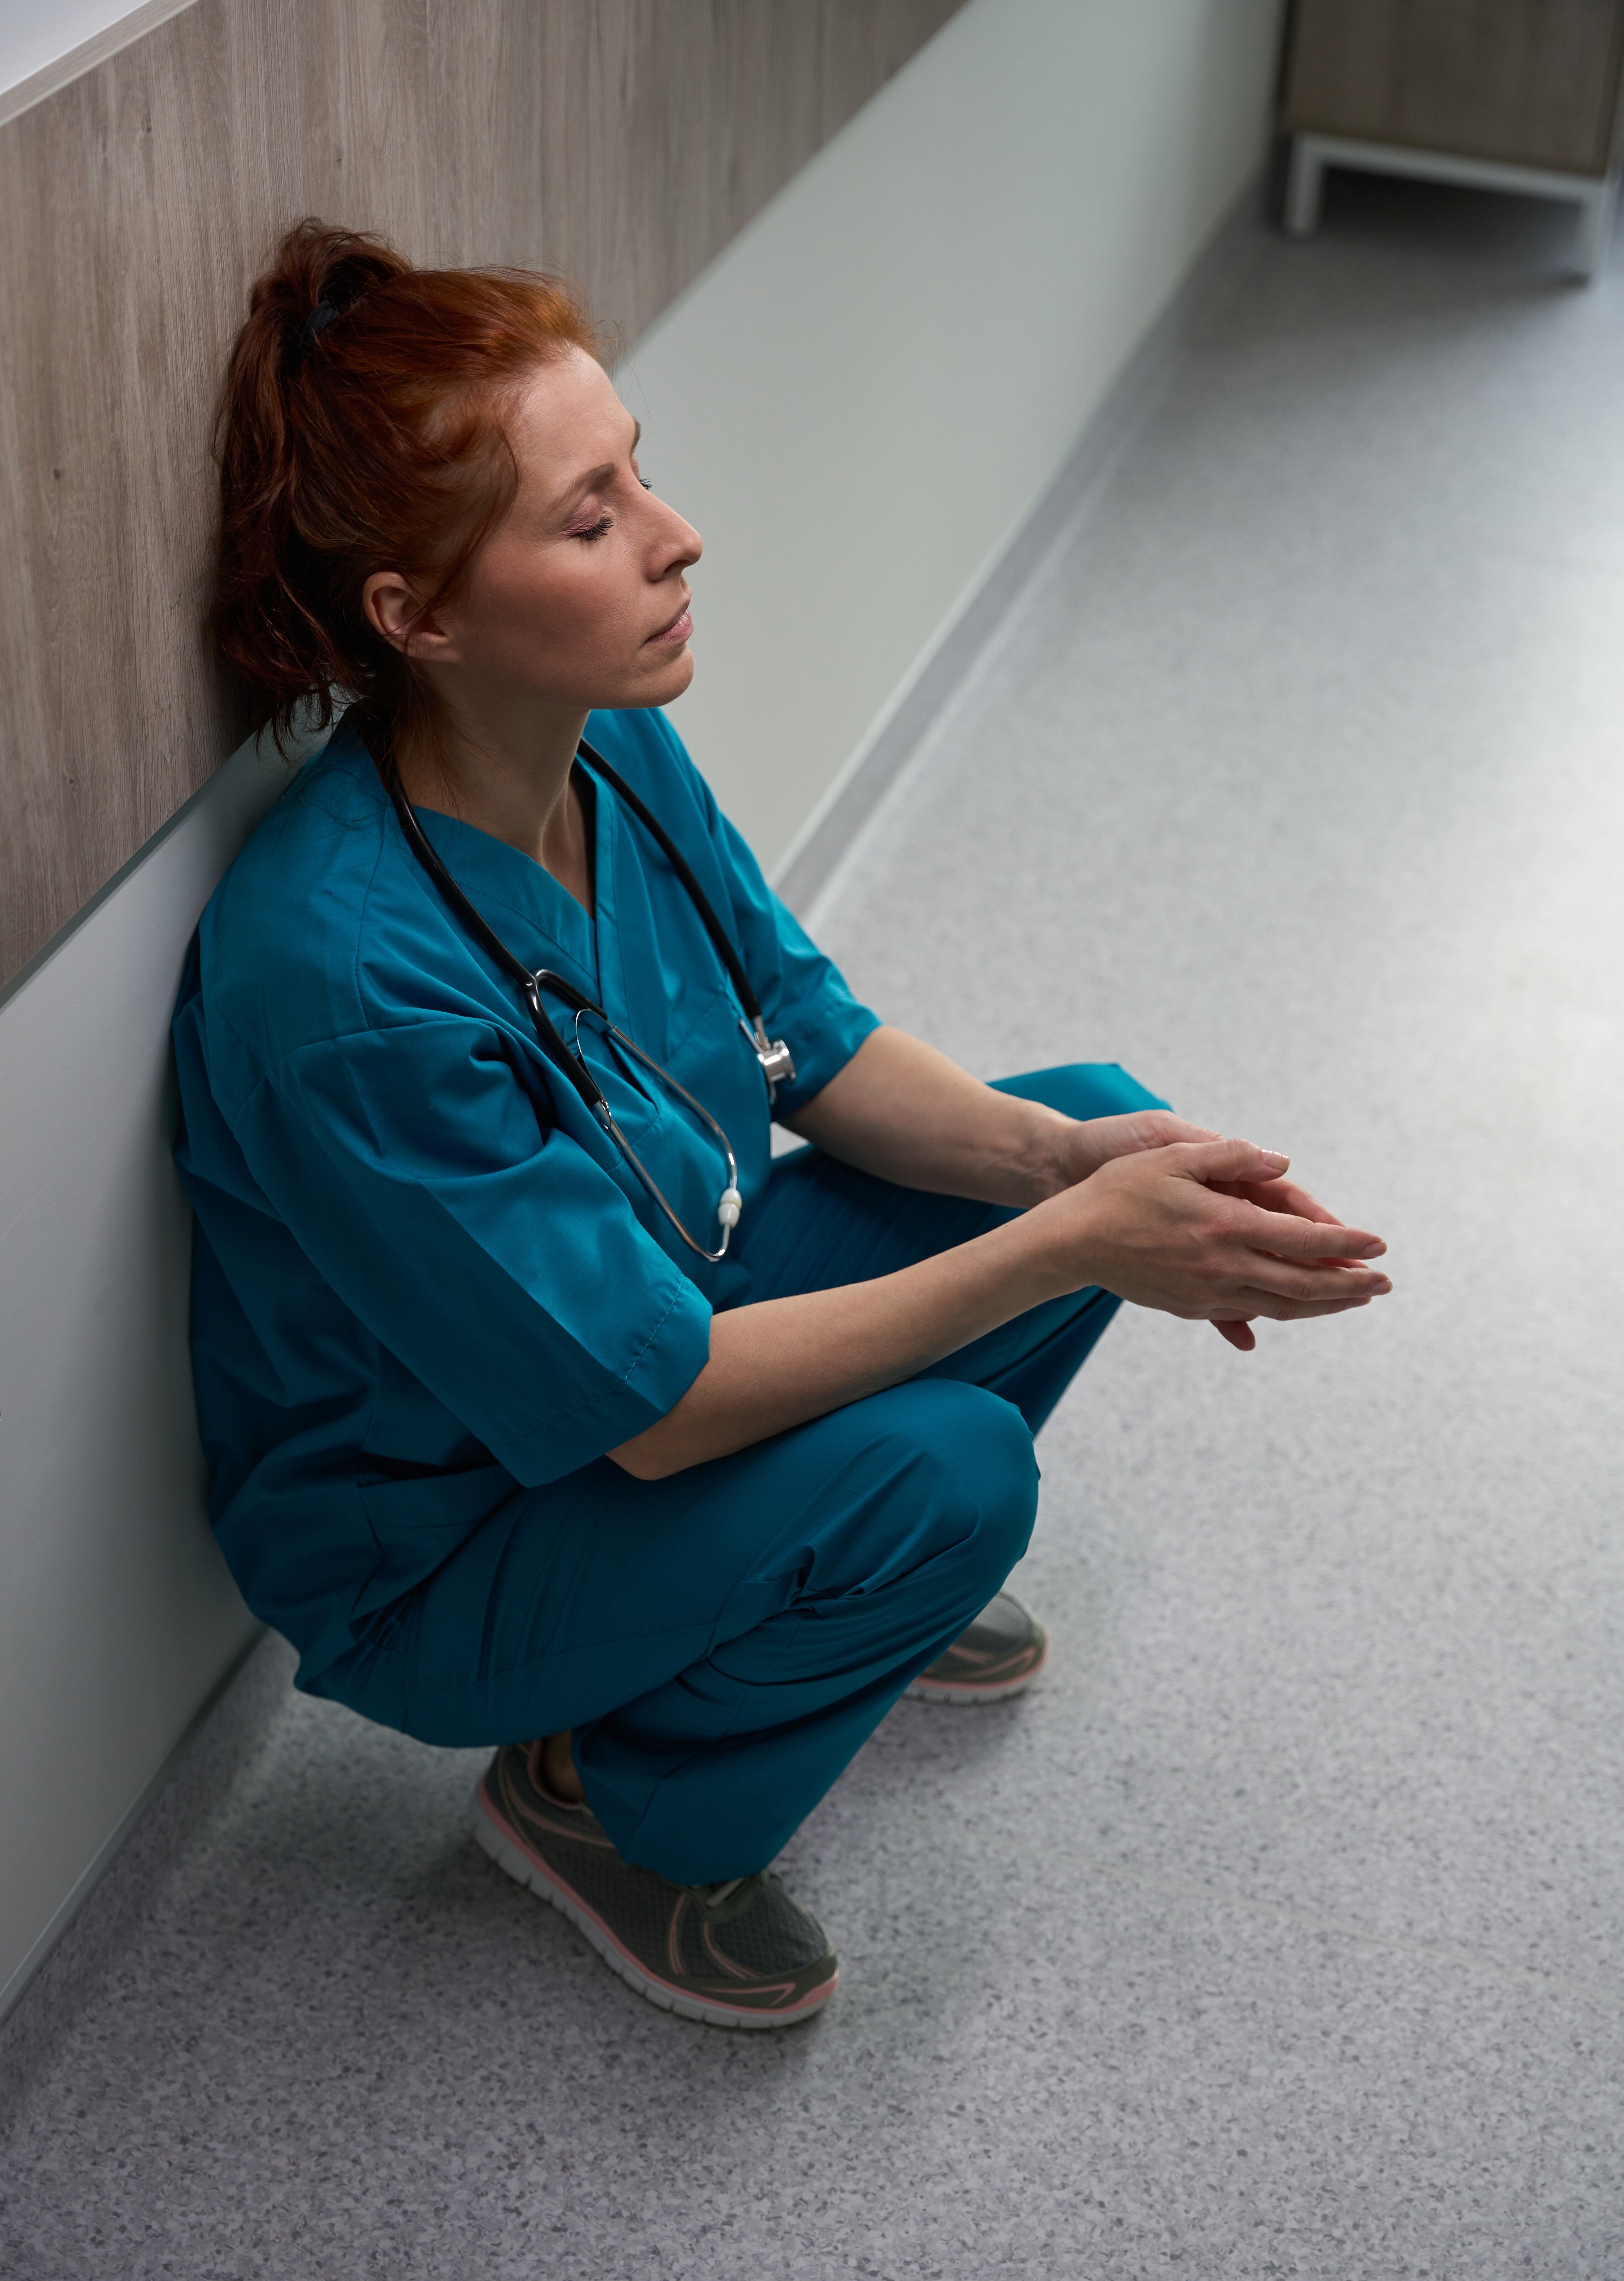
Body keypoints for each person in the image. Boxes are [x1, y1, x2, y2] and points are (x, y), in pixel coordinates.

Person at [174, 219, 1390, 2032]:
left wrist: (1083, 1180)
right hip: (441, 1537)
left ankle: (817, 1587)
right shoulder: (344, 983)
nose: (672, 535)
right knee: (955, 1470)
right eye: (588, 519)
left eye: (637, 472)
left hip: (650, 1332)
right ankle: (607, 1800)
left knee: (1089, 1127)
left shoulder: (599, 739)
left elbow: (804, 1043)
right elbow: (654, 1416)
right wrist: (1065, 1246)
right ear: (414, 618)